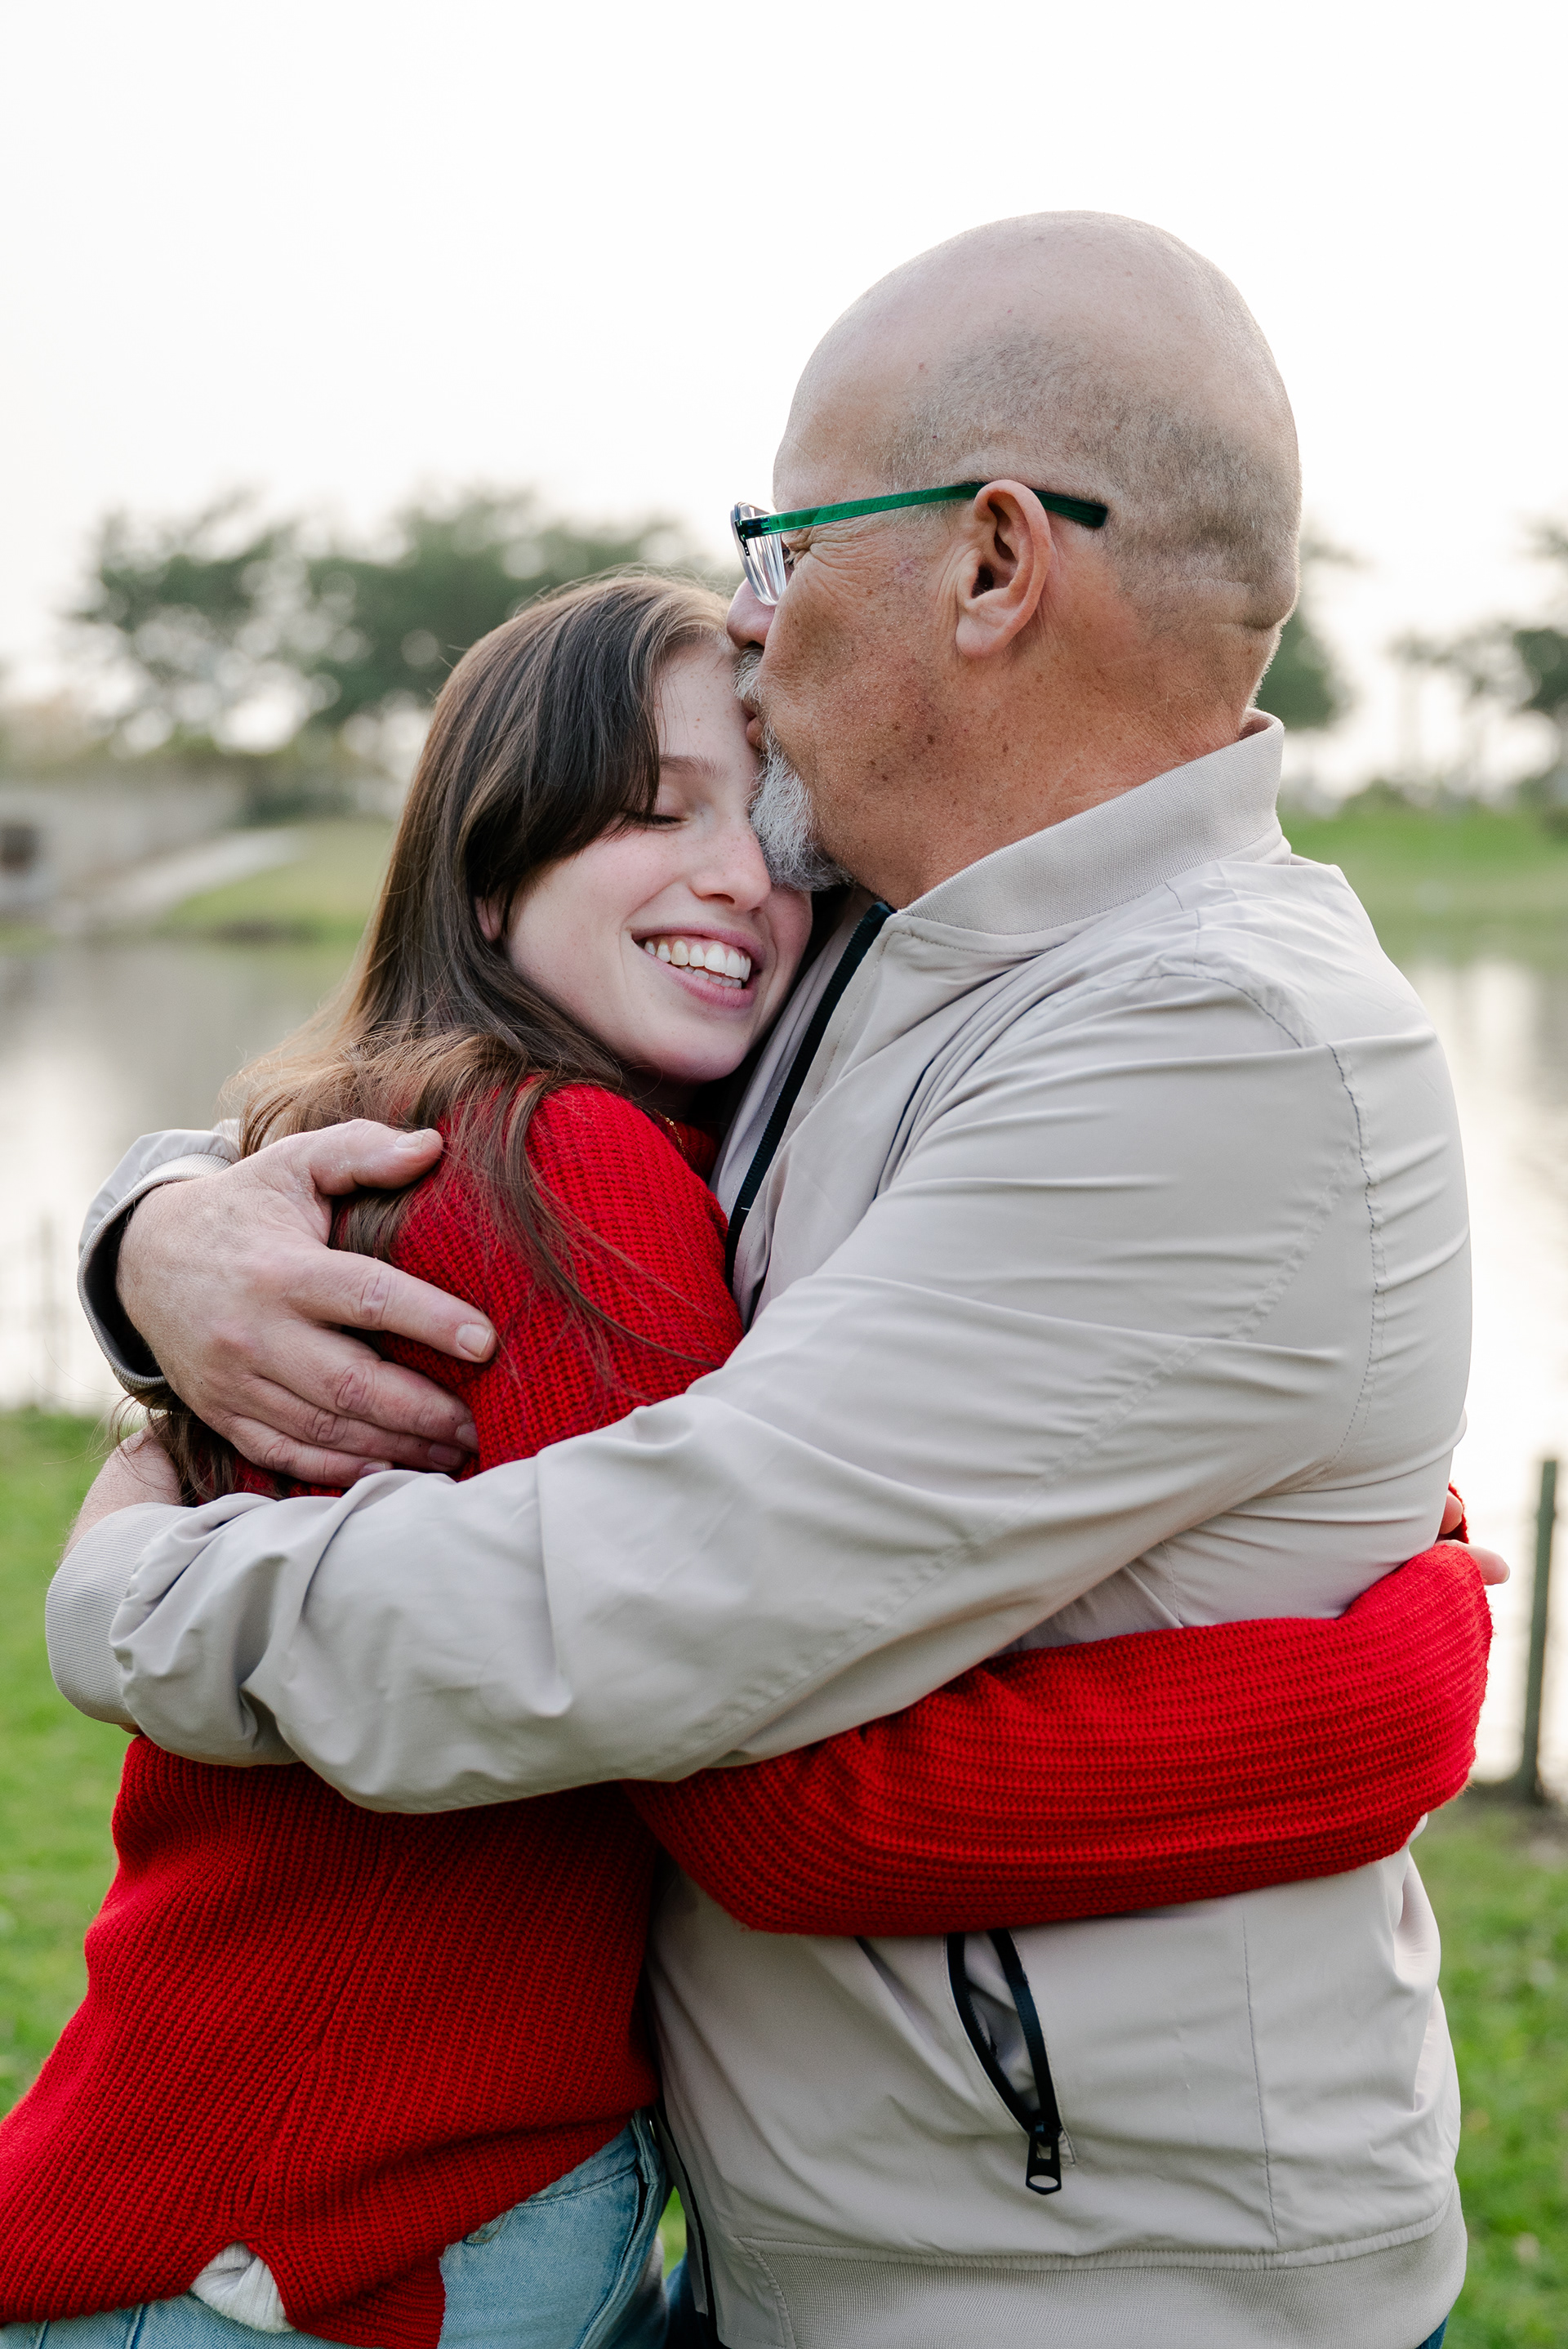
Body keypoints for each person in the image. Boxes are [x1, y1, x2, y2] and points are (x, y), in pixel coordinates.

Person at [51, 214, 1481, 2349]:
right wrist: (154, 1230)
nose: (746, 603)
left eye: (783, 537)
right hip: (827, 2240)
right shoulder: (884, 927)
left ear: (994, 562)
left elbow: (683, 1673)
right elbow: (479, 1044)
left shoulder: (1211, 1041)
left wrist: (139, 1598)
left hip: (1097, 2291)